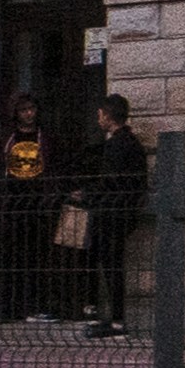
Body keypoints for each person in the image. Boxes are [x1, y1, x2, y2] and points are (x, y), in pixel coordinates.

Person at [78, 88, 150, 335]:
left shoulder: (117, 146)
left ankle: (112, 317)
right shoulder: (131, 144)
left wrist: (88, 196)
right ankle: (107, 315)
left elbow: (111, 182)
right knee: (106, 261)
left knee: (108, 264)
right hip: (122, 211)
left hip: (111, 213)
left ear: (108, 117)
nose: (98, 119)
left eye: (100, 115)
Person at [0, 91, 60, 321]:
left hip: (38, 205)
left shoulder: (44, 137)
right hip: (10, 205)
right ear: (15, 113)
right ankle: (5, 308)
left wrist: (52, 196)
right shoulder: (4, 139)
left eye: (32, 109)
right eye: (23, 110)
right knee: (7, 258)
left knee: (36, 258)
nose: (28, 114)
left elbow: (55, 168)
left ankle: (35, 307)